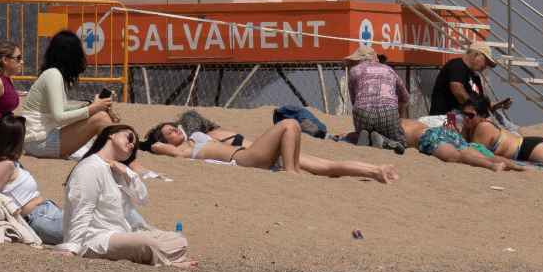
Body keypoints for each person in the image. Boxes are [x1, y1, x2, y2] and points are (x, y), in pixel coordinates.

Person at [60, 125, 193, 267]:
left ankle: (164, 255)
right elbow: (82, 208)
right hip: (97, 238)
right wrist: (72, 247)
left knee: (179, 240)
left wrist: (128, 173)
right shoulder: (90, 167)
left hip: (121, 231)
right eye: (129, 138)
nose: (131, 144)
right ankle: (170, 262)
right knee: (147, 244)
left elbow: (142, 198)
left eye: (134, 146)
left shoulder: (118, 170)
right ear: (111, 134)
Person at [141, 119, 398, 183]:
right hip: (243, 158)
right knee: (288, 124)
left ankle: (376, 171)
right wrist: (153, 140)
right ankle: (291, 173)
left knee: (326, 166)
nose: (176, 130)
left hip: (253, 152)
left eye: (175, 127)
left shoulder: (197, 137)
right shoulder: (182, 153)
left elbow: (221, 133)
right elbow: (154, 146)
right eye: (170, 132)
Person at [15, 30, 115, 159]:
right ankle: (121, 160)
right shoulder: (53, 75)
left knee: (100, 115)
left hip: (38, 139)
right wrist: (93, 109)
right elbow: (59, 117)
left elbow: (60, 109)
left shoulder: (53, 74)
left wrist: (91, 105)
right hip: (38, 141)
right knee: (101, 118)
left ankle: (109, 157)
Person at [0, 116, 63, 245]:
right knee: (89, 233)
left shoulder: (12, 163)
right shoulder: (3, 165)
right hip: (38, 218)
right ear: (16, 140)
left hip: (47, 213)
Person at [345, 44, 410, 153]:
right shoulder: (389, 70)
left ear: (359, 60)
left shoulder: (354, 71)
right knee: (401, 143)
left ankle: (367, 136)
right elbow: (405, 97)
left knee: (361, 130)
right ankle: (384, 141)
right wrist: (399, 116)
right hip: (388, 112)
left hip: (363, 112)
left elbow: (354, 100)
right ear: (375, 57)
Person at [429, 40, 493, 116]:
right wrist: (475, 108)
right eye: (486, 61)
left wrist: (493, 106)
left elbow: (480, 103)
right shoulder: (457, 66)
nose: (486, 66)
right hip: (445, 118)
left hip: (464, 119)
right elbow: (457, 89)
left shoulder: (475, 77)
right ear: (476, 55)